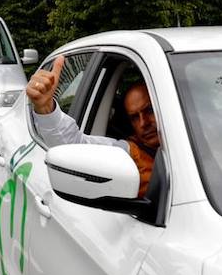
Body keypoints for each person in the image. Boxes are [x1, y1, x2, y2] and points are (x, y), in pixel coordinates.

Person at [26, 55, 159, 198]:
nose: (143, 123)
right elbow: (74, 148)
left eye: (149, 111)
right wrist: (45, 108)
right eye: (134, 117)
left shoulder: (186, 142)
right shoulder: (130, 154)